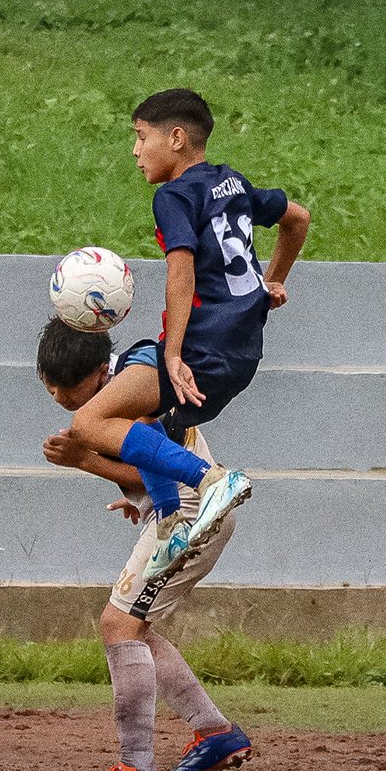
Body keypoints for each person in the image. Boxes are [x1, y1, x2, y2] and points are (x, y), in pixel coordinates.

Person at [69, 88, 310, 588]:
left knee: (89, 422)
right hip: (243, 352)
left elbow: (181, 273)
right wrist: (273, 281)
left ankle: (212, 481)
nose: (135, 151)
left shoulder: (173, 197)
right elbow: (298, 218)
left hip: (203, 348)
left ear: (175, 138)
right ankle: (173, 518)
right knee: (148, 429)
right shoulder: (232, 183)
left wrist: (174, 354)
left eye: (140, 137)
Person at [38, 316, 252, 771]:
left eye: (66, 386)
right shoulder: (128, 380)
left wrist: (84, 459)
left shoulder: (127, 390)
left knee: (119, 626)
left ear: (97, 372)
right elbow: (148, 469)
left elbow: (150, 461)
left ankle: (137, 769)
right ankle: (214, 733)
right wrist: (139, 499)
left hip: (193, 513)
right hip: (184, 509)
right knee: (134, 628)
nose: (58, 396)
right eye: (49, 385)